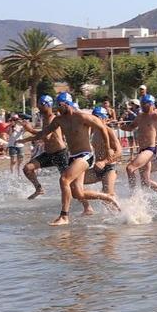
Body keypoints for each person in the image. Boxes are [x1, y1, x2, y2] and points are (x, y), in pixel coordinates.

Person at [40, 95, 117, 224]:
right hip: (73, 157)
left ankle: (64, 216)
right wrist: (27, 137)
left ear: (65, 104)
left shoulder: (81, 117)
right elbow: (43, 133)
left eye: (59, 105)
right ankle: (107, 197)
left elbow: (103, 127)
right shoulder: (59, 120)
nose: (57, 109)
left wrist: (108, 148)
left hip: (85, 156)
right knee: (77, 193)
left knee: (64, 179)